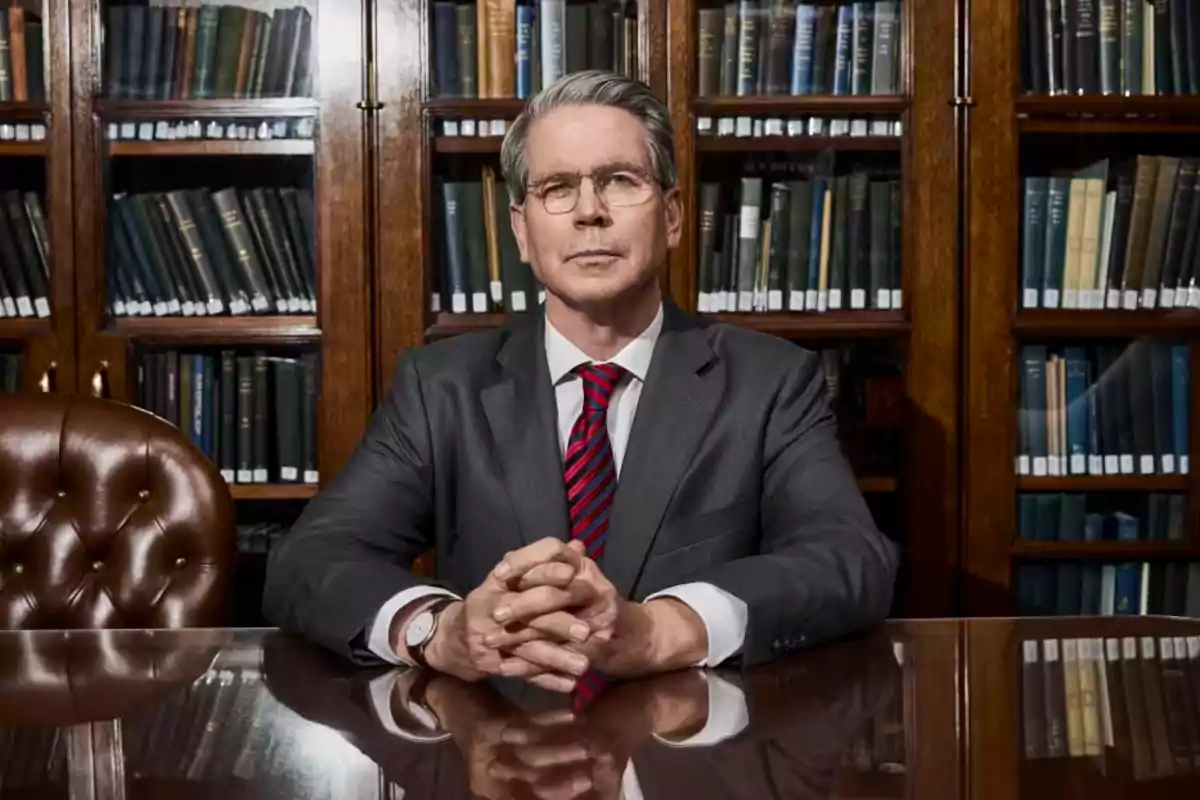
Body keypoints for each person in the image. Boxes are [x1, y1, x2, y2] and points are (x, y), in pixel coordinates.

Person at [262, 69, 899, 693]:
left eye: (620, 181)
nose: (589, 212)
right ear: (521, 229)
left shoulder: (769, 381)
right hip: (498, 759)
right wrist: (439, 629)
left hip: (693, 762)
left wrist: (662, 630)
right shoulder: (441, 387)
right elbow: (310, 561)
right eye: (557, 188)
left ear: (673, 216)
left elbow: (849, 559)